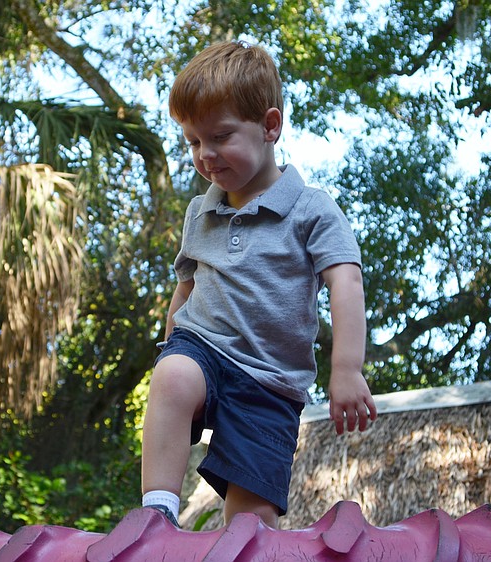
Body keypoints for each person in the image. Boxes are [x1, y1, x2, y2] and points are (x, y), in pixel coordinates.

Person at [140, 41, 377, 529]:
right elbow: (186, 288)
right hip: (203, 346)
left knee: (253, 524)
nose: (205, 154)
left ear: (270, 126)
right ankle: (157, 516)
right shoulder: (199, 212)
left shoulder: (311, 208)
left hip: (269, 381)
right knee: (173, 375)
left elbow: (345, 280)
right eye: (192, 141)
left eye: (220, 136)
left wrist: (347, 369)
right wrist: (169, 345)